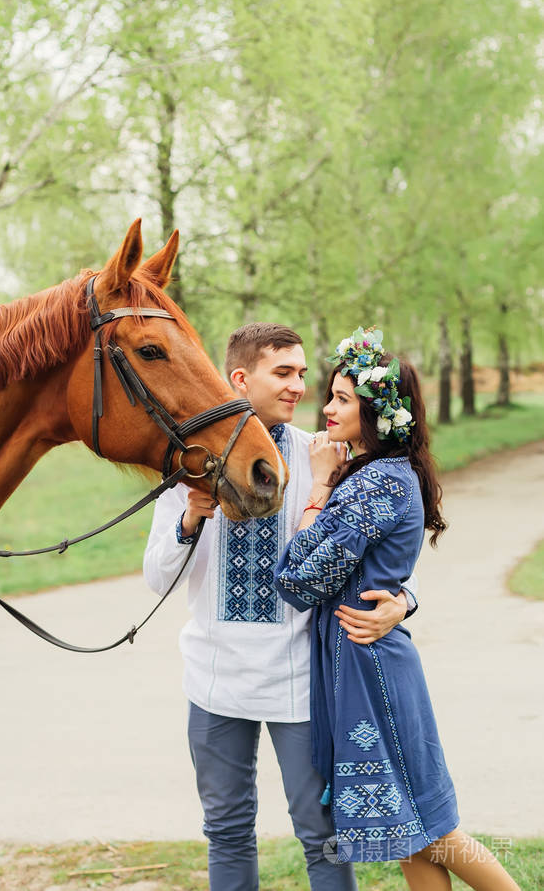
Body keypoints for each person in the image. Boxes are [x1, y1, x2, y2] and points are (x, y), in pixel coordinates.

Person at [144, 322, 417, 891]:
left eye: (302, 373)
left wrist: (405, 601)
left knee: (321, 831)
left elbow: (386, 553)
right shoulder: (189, 461)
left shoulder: (323, 459)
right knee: (226, 828)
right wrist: (191, 517)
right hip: (215, 680)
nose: (299, 387)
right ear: (241, 378)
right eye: (284, 373)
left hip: (301, 681)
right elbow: (156, 578)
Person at [274, 327, 521, 891]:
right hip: (364, 661)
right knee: (412, 834)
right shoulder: (376, 475)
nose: (327, 407)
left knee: (433, 831)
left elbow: (299, 579)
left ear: (378, 413)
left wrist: (317, 486)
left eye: (342, 399)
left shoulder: (375, 482)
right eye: (330, 394)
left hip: (371, 669)